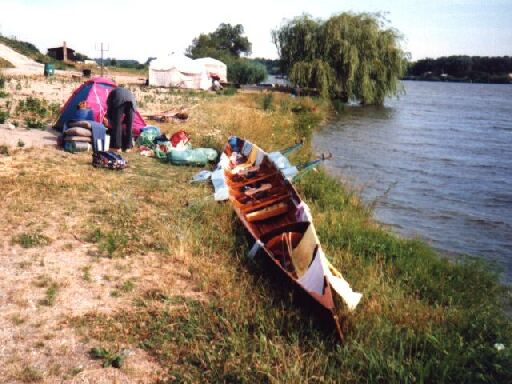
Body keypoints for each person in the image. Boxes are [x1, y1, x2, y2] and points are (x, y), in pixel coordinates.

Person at [105, 86, 136, 153]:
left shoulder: (112, 94)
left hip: (119, 101)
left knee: (117, 125)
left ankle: (116, 147)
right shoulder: (126, 91)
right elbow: (131, 115)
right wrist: (126, 120)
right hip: (132, 102)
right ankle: (128, 147)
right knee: (129, 126)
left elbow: (110, 108)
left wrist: (110, 118)